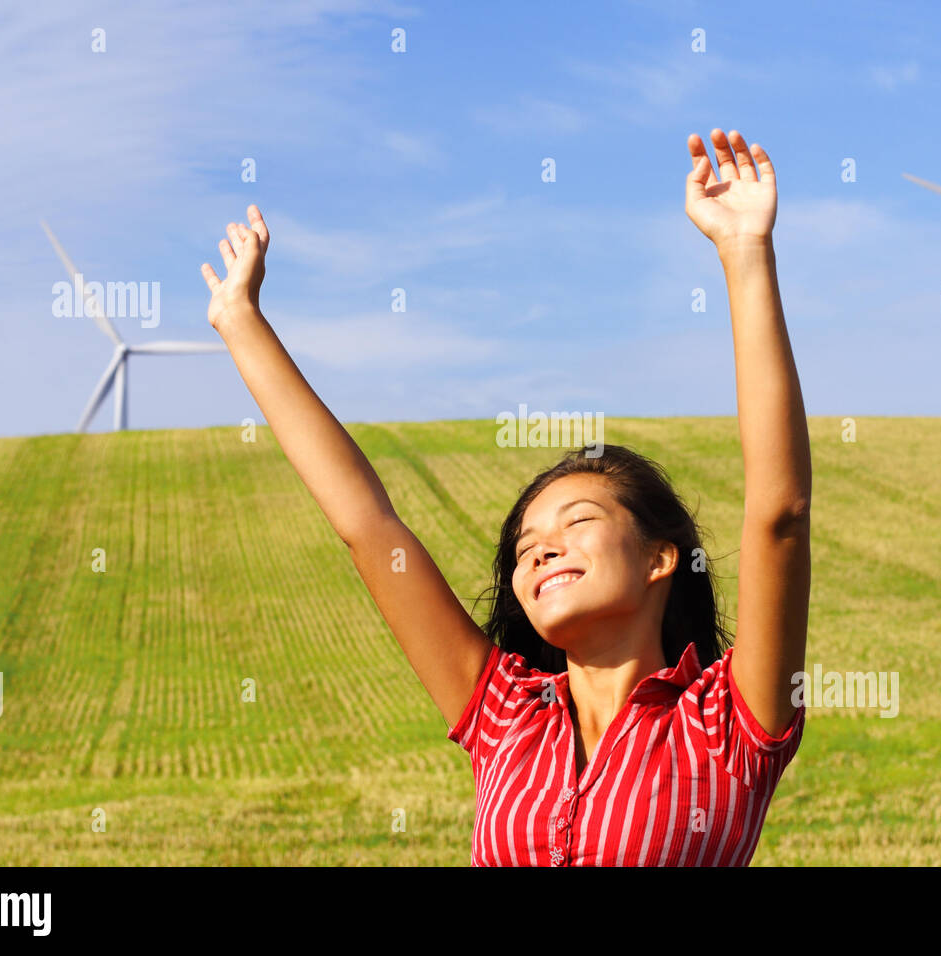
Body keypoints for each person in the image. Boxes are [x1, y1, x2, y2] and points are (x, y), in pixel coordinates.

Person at [199, 127, 811, 866]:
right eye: (525, 550)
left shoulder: (729, 725)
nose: (543, 548)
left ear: (660, 557)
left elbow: (778, 516)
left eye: (576, 521)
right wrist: (240, 322)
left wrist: (745, 252)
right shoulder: (503, 716)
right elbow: (369, 528)